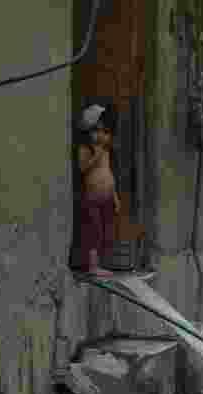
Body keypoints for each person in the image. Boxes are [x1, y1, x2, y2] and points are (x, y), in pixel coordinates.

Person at [73, 104, 122, 276]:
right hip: (92, 197)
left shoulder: (106, 151)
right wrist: (97, 155)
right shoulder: (86, 149)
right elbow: (82, 168)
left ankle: (100, 263)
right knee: (92, 230)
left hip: (107, 196)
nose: (101, 135)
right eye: (97, 131)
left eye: (104, 131)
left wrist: (115, 196)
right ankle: (92, 266)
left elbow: (109, 174)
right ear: (89, 132)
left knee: (103, 230)